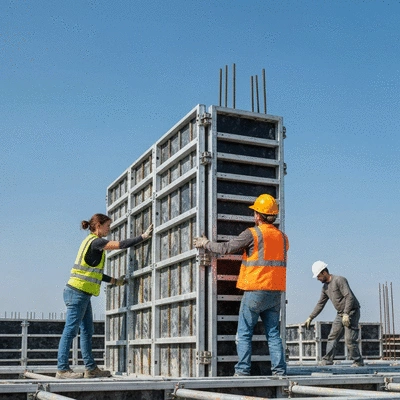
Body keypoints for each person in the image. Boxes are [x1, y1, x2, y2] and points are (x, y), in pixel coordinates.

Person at [194, 194, 288, 376]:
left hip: (255, 290)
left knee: (244, 333)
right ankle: (280, 372)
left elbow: (226, 248)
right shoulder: (283, 238)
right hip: (275, 292)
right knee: (274, 335)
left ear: (258, 215)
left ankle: (243, 370)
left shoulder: (252, 233)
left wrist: (205, 243)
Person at [56, 213, 153, 379]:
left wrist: (115, 281)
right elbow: (121, 244)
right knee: (71, 331)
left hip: (82, 294)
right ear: (98, 226)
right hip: (77, 293)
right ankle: (62, 369)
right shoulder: (97, 242)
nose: (109, 229)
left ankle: (91, 368)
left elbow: (95, 273)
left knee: (87, 331)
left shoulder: (90, 243)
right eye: (108, 226)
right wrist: (142, 237)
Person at [304, 261, 364, 367]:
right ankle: (327, 359)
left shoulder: (339, 280)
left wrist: (346, 314)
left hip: (351, 311)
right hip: (340, 313)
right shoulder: (325, 288)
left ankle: (358, 361)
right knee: (333, 336)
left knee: (349, 339)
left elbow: (349, 296)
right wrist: (310, 317)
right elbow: (320, 304)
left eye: (318, 276)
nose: (318, 279)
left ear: (324, 272)